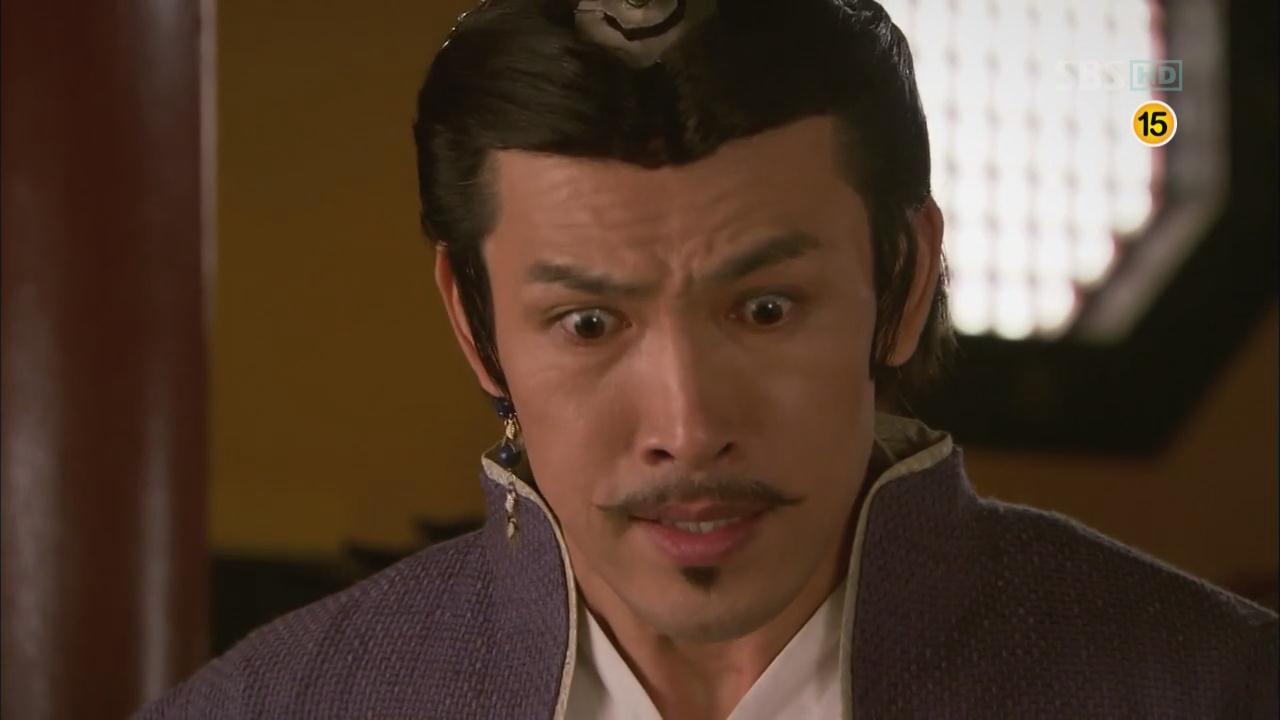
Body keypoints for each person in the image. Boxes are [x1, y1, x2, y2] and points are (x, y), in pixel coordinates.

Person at [138, 0, 1278, 717]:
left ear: (901, 279)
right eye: (588, 324)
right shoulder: (279, 703)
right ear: (474, 321)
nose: (686, 428)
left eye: (766, 309)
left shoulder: (1212, 687)